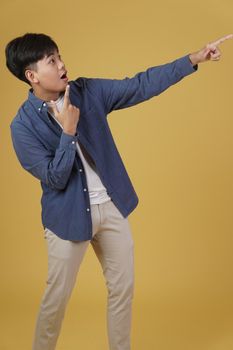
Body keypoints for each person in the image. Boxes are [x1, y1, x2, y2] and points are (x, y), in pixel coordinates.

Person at [5, 32, 232, 350]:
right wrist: (68, 132)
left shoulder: (88, 92)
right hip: (67, 218)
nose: (62, 64)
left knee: (122, 291)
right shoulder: (23, 126)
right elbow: (54, 179)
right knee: (56, 300)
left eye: (60, 56)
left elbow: (140, 85)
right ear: (32, 75)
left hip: (111, 207)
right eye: (51, 60)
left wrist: (193, 59)